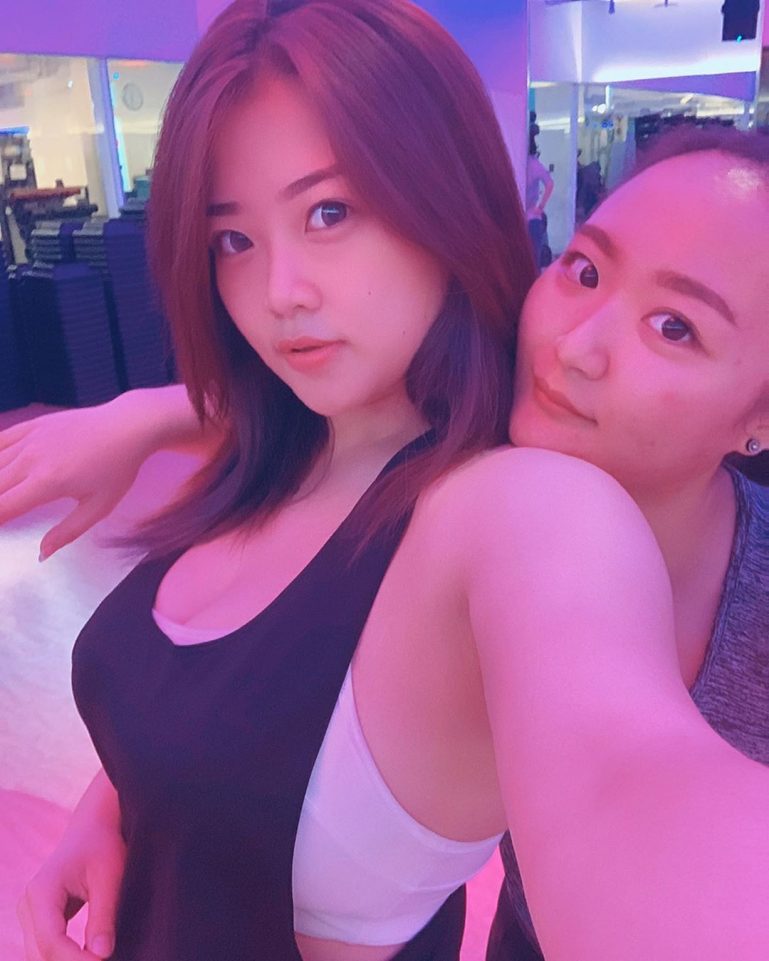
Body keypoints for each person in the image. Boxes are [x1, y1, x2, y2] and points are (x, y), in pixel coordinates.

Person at [5, 3, 769, 960]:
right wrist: (127, 796)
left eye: (329, 213)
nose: (577, 347)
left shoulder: (529, 508)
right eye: (582, 271)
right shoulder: (334, 436)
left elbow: (635, 786)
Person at [485, 125, 769, 960]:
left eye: (673, 327)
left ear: (758, 418)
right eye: (583, 271)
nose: (573, 348)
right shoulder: (463, 494)